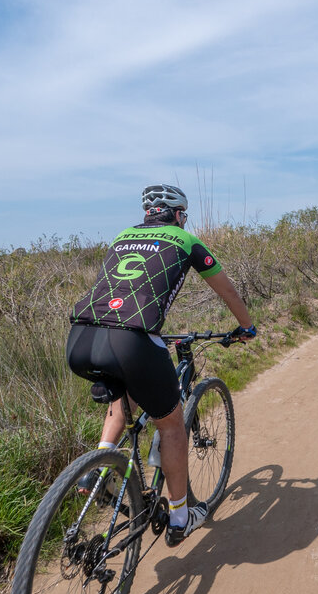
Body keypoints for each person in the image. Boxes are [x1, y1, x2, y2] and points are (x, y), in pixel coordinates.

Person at [66, 184, 256, 546]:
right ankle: (181, 517)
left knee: (125, 397)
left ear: (148, 214)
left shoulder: (122, 237)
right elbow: (227, 291)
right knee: (170, 426)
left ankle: (98, 467)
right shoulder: (185, 240)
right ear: (179, 214)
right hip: (130, 340)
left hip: (81, 337)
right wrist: (246, 326)